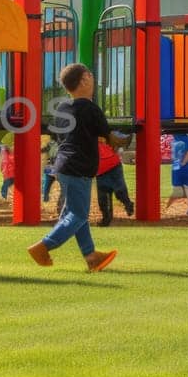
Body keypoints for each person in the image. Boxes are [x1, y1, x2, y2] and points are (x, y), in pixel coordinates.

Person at [27, 64, 118, 272]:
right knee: (78, 215)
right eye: (91, 76)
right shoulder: (90, 107)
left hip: (63, 165)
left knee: (75, 214)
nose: (93, 80)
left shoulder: (62, 108)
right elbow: (108, 136)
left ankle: (92, 257)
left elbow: (59, 136)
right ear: (84, 80)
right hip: (80, 166)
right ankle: (43, 246)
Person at [95, 133, 134, 225]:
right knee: (106, 196)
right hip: (108, 167)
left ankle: (127, 205)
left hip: (110, 166)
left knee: (113, 193)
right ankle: (126, 204)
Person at [165, 131, 188, 216]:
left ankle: (165, 208)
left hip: (181, 165)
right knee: (185, 188)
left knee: (180, 188)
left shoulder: (173, 137)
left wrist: (182, 163)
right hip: (183, 165)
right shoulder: (185, 138)